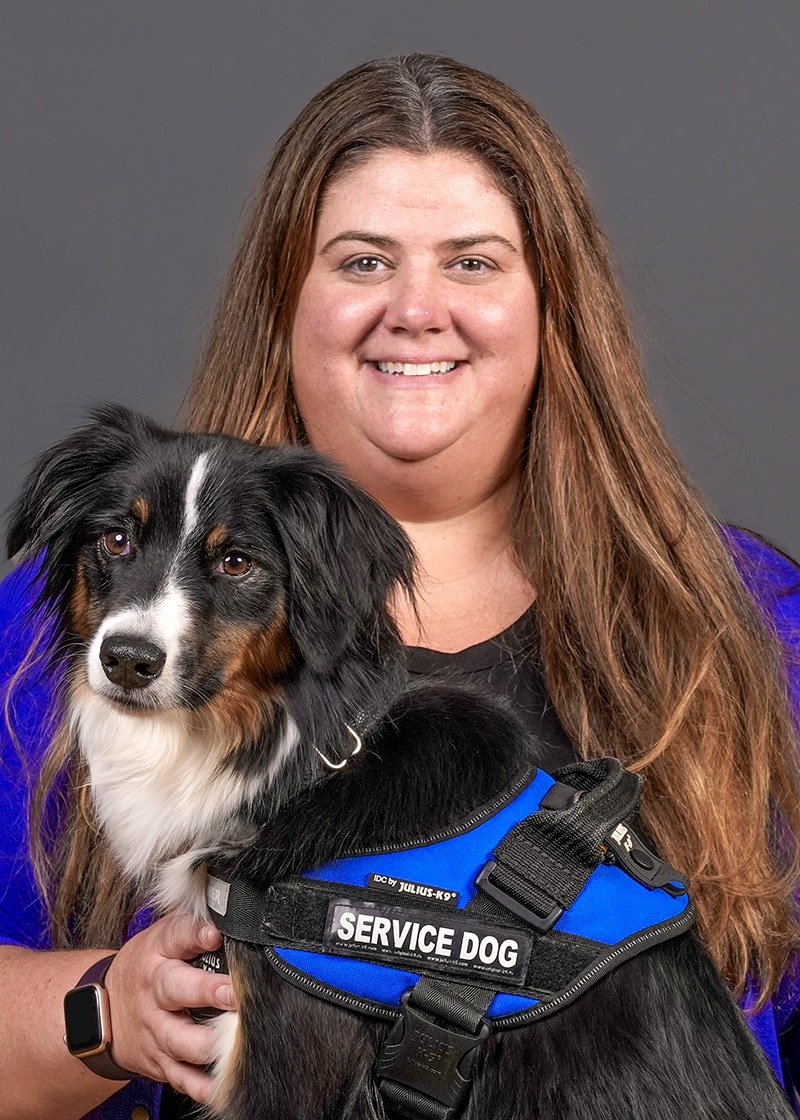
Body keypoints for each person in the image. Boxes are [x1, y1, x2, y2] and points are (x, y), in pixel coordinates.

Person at [1, 53, 799, 1120]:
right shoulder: (77, 629)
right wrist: (108, 1009)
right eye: (362, 261)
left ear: (553, 309)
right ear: (286, 301)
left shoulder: (750, 627)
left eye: (471, 264)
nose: (415, 309)